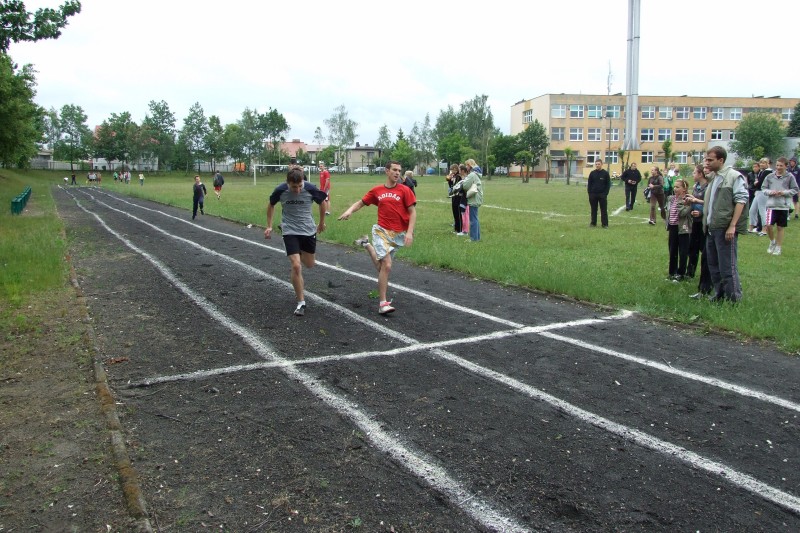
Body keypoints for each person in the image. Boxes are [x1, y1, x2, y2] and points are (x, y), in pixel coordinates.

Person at [338, 160, 417, 314]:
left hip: (398, 234)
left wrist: (409, 232)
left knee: (382, 267)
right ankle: (383, 303)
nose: (397, 173)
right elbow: (361, 203)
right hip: (381, 231)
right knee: (386, 265)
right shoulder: (377, 190)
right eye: (394, 169)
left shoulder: (405, 190)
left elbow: (412, 212)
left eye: (399, 170)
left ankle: (366, 244)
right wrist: (349, 211)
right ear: (387, 171)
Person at [265, 167, 327, 316]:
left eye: (300, 186)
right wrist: (269, 226)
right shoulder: (280, 190)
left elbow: (322, 202)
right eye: (294, 187)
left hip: (308, 231)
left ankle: (298, 253)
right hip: (289, 231)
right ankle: (301, 302)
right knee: (296, 265)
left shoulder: (311, 188)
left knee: (310, 264)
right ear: (288, 183)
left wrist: (321, 223)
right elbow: (271, 205)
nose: (298, 190)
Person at [703, 146, 748, 303]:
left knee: (727, 266)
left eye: (710, 160)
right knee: (714, 265)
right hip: (711, 227)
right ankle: (719, 294)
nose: (706, 162)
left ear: (720, 160)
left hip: (724, 228)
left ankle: (733, 298)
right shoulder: (714, 177)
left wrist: (732, 225)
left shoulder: (733, 176)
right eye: (706, 159)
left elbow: (741, 200)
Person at [762, 157, 799, 256]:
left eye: (781, 166)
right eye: (777, 165)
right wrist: (770, 192)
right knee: (769, 226)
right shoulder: (769, 176)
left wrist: (784, 193)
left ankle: (778, 247)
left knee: (780, 227)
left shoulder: (790, 177)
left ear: (786, 166)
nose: (778, 167)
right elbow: (764, 188)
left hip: (783, 206)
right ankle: (772, 241)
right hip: (771, 205)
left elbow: (795, 189)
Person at [685, 165, 711, 297]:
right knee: (692, 248)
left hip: (703, 220)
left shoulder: (708, 186)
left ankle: (706, 278)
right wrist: (689, 201)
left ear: (701, 174)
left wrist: (696, 203)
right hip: (694, 220)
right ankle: (690, 273)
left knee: (704, 249)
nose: (693, 174)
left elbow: (708, 202)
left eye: (694, 172)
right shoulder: (696, 186)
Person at [665, 178, 693, 281]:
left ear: (684, 189)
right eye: (674, 187)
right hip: (672, 227)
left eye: (678, 187)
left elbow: (682, 213)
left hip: (682, 228)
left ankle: (681, 273)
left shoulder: (687, 200)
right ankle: (672, 272)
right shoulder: (671, 198)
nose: (675, 189)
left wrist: (683, 203)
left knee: (683, 251)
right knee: (672, 250)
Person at [747, 157, 771, 235]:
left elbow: (760, 183)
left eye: (763, 163)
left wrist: (756, 183)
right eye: (761, 163)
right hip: (758, 192)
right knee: (752, 210)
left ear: (767, 164)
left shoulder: (767, 172)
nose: (761, 164)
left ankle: (764, 229)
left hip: (763, 192)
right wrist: (756, 183)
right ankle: (751, 227)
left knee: (762, 210)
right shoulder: (762, 172)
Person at [462, 159, 484, 240]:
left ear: (470, 165)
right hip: (477, 197)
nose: (466, 167)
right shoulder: (476, 174)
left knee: (473, 219)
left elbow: (465, 186)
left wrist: (463, 182)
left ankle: (473, 238)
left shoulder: (472, 175)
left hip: (474, 198)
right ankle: (476, 237)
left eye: (467, 165)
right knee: (475, 218)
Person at [587, 159, 611, 227]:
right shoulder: (592, 173)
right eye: (596, 164)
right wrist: (590, 193)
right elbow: (589, 184)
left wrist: (605, 194)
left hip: (602, 195)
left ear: (601, 164)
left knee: (603, 210)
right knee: (593, 209)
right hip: (593, 194)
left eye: (598, 164)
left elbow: (608, 184)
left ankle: (605, 224)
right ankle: (593, 223)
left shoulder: (605, 173)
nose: (597, 165)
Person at [445, 163, 465, 235]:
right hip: (454, 196)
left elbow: (456, 186)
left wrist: (452, 180)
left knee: (458, 213)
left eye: (452, 170)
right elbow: (451, 185)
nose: (451, 171)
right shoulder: (453, 176)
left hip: (458, 196)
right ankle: (456, 229)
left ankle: (460, 230)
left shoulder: (458, 177)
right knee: (454, 212)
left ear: (455, 169)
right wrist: (449, 179)